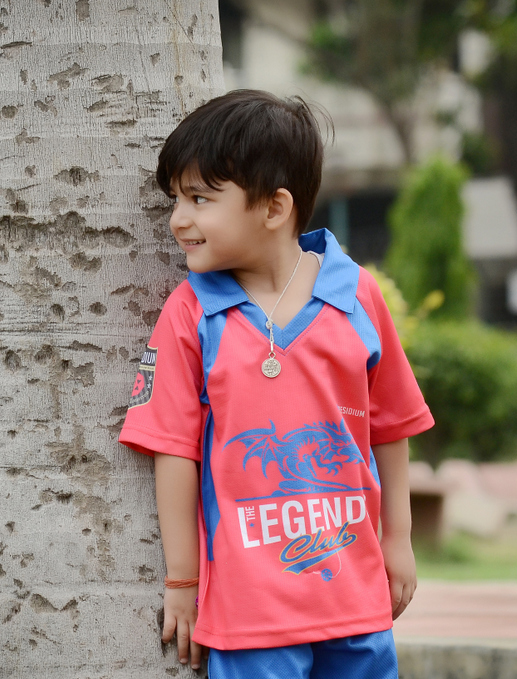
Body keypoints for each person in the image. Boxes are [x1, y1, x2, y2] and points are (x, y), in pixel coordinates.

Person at [119, 90, 434, 678]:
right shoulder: (190, 313)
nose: (178, 219)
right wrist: (182, 580)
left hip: (357, 605)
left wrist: (399, 540)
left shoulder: (357, 295)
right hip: (249, 620)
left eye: (200, 198)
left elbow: (392, 427)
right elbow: (173, 450)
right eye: (175, 199)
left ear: (274, 207)